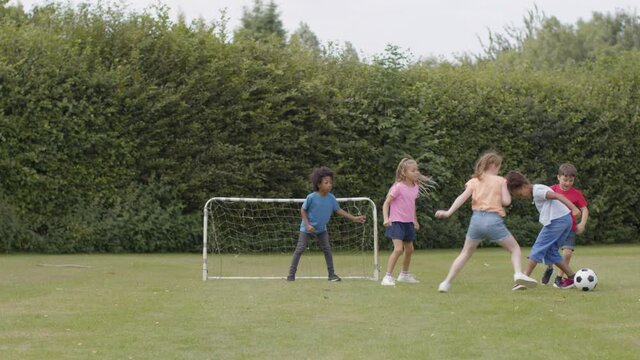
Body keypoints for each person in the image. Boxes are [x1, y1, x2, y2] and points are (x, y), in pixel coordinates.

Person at [434, 151, 537, 293]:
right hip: (493, 221)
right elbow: (506, 202)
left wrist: (448, 212)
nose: (499, 170)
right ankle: (518, 274)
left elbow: (462, 198)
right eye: (499, 167)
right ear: (493, 165)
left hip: (476, 220)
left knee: (465, 253)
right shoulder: (501, 180)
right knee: (515, 249)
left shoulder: (475, 181)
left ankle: (446, 283)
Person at [287, 167, 366, 282]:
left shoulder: (331, 198)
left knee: (327, 249)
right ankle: (291, 275)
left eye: (330, 182)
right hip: (306, 228)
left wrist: (354, 218)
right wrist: (308, 225)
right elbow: (303, 210)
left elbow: (338, 210)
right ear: (319, 184)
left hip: (321, 229)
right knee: (300, 248)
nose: (329, 185)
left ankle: (331, 275)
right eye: (326, 182)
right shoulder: (311, 197)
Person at [505, 170, 581, 290]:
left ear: (524, 186)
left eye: (519, 194)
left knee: (538, 247)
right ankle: (572, 277)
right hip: (564, 220)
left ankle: (524, 279)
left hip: (557, 220)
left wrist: (574, 208)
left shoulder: (538, 191)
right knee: (551, 252)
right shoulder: (536, 190)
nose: (521, 197)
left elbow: (558, 195)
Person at [380, 158, 434, 286]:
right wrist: (386, 219)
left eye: (417, 170)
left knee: (409, 249)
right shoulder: (398, 187)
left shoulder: (415, 187)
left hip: (408, 223)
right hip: (396, 222)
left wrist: (415, 220)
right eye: (413, 170)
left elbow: (412, 205)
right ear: (404, 173)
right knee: (398, 249)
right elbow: (386, 203)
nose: (416, 172)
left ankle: (404, 274)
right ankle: (387, 277)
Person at [540, 163, 589, 287]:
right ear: (558, 177)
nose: (567, 183)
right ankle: (549, 268)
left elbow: (584, 209)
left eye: (571, 180)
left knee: (567, 253)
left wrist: (582, 224)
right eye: (565, 180)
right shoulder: (551, 190)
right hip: (553, 228)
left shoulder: (576, 194)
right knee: (549, 252)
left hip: (569, 228)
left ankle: (559, 277)